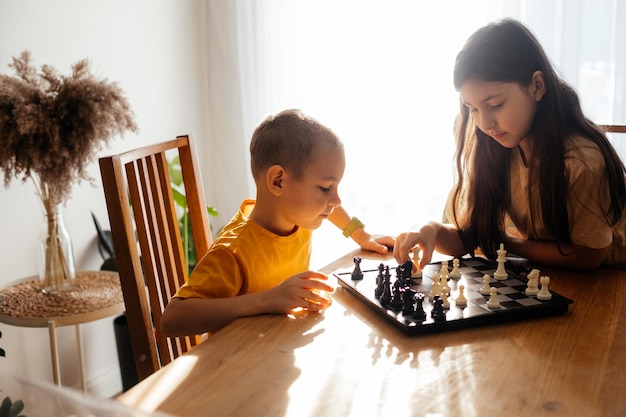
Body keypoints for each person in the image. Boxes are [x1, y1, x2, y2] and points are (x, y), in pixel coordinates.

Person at [394, 18, 626, 272]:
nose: (485, 123)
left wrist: (507, 243)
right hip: (557, 275)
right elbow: (473, 236)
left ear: (537, 86)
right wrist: (432, 229)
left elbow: (587, 256)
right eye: (472, 109)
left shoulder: (581, 162)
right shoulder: (497, 146)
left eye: (495, 105)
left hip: (610, 281)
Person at [161, 109, 394, 337]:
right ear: (278, 181)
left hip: (278, 344)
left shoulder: (297, 215)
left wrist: (361, 235)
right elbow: (172, 320)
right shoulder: (233, 251)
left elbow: (332, 208)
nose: (336, 199)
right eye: (325, 188)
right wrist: (267, 300)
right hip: (239, 363)